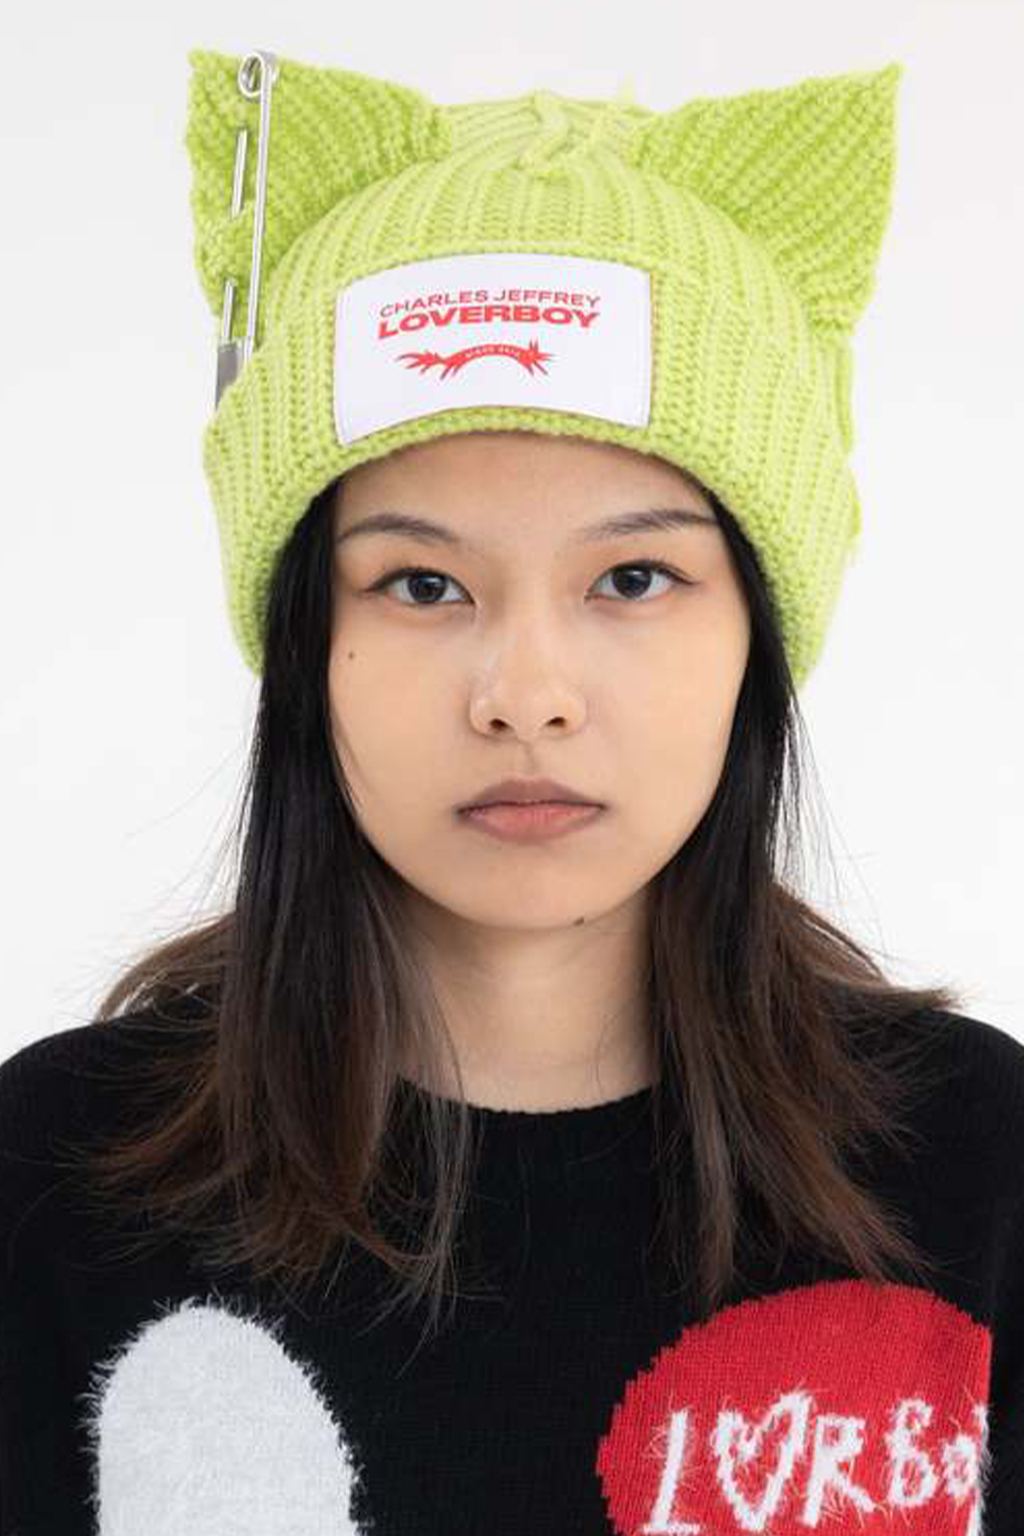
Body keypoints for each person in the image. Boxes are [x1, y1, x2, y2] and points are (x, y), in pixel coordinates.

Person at [1, 45, 1021, 1535]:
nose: (525, 692)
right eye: (421, 583)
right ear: (307, 644)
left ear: (758, 632)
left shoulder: (978, 1166)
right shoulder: (53, 1180)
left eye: (634, 577)